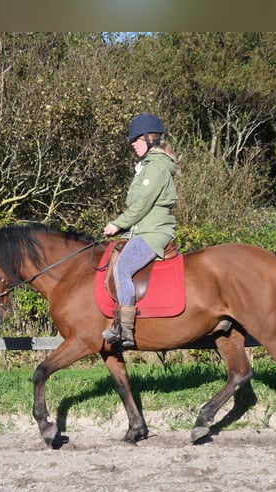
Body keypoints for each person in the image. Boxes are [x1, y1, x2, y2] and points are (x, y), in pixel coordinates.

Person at [102, 112, 178, 348]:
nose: (133, 144)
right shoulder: (148, 166)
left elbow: (141, 205)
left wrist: (117, 224)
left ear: (150, 138)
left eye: (136, 139)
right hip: (142, 229)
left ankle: (125, 330)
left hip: (153, 232)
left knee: (123, 267)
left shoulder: (155, 168)